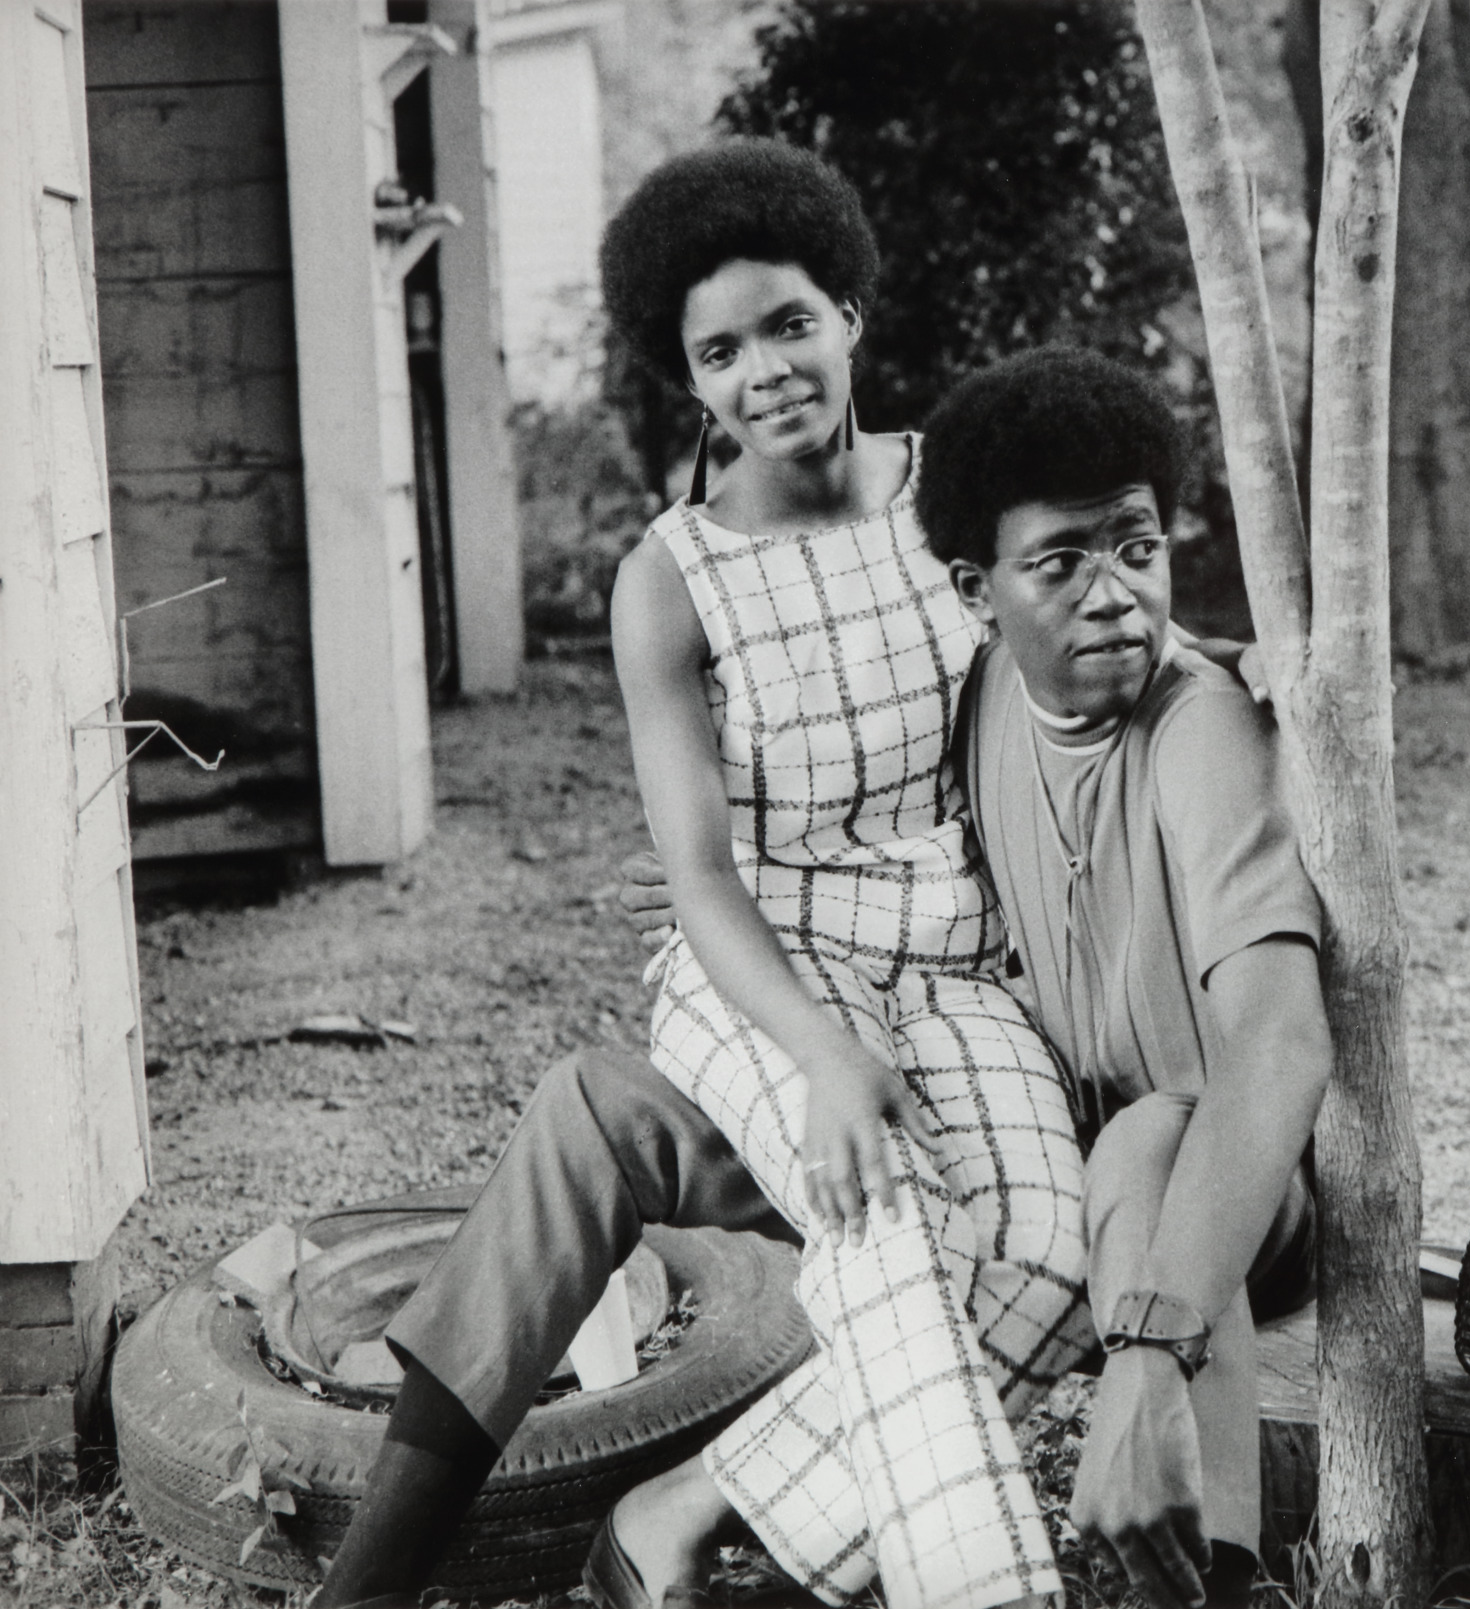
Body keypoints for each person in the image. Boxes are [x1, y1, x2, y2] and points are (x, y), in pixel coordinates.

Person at [317, 141, 1090, 1609]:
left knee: (1051, 1259)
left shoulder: (956, 494)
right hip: (763, 963)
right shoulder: (671, 575)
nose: (766, 374)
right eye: (720, 353)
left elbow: (1086, 641)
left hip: (955, 956)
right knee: (892, 1238)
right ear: (691, 383)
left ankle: (684, 1506)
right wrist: (821, 1058)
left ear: (852, 309)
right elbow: (700, 874)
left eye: (790, 324)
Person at [614, 348, 1331, 1609]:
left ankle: (1224, 1577)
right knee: (921, 1250)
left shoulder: (1202, 732)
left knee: (1140, 1146)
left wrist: (1148, 1358)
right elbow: (839, 802)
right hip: (1073, 1149)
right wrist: (696, 878)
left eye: (1137, 548)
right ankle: (727, 1527)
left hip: (1232, 1183)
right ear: (972, 592)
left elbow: (1275, 1051)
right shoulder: (988, 687)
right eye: (1061, 564)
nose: (1113, 596)